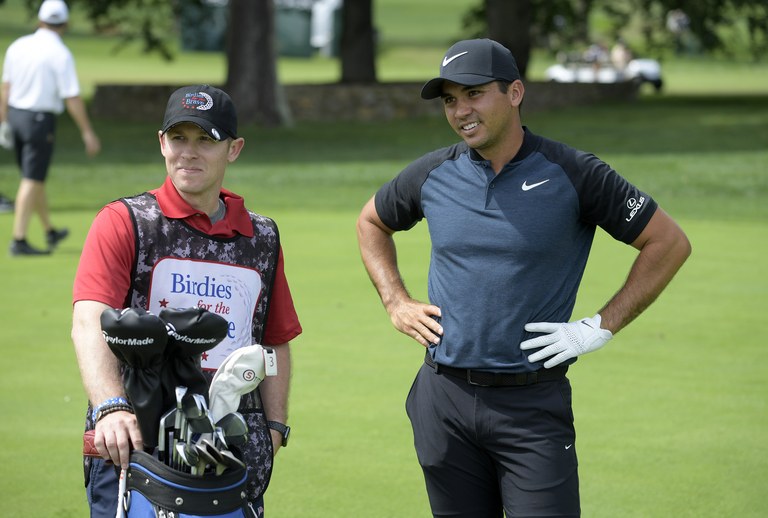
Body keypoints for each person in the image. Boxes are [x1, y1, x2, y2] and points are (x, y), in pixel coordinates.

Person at [356, 39, 691, 517]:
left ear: (515, 92)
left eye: (473, 94)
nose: (460, 111)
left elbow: (669, 243)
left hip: (531, 406)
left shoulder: (574, 172)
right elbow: (371, 222)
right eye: (450, 100)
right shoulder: (434, 173)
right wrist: (395, 300)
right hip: (443, 400)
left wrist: (600, 326)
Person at [71, 84, 302, 518]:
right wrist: (109, 406)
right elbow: (89, 321)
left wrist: (273, 426)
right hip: (134, 441)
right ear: (162, 143)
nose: (189, 153)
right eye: (178, 138)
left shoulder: (262, 237)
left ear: (234, 149)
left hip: (232, 444)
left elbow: (274, 340)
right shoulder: (124, 221)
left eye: (206, 140)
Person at [1, 0, 101, 256]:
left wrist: (3, 120)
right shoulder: (60, 53)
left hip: (15, 115)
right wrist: (87, 132)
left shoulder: (18, 46)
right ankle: (19, 240)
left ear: (40, 20)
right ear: (65, 24)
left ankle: (49, 230)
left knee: (34, 177)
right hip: (39, 121)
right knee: (32, 178)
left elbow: (5, 88)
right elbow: (72, 97)